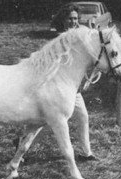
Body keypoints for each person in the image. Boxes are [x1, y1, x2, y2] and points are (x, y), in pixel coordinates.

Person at [14, 2, 97, 161]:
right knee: (45, 123)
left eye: (75, 18)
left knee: (83, 116)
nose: (73, 22)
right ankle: (21, 142)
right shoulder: (57, 37)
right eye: (70, 19)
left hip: (72, 90)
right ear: (63, 20)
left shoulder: (79, 36)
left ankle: (87, 153)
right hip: (54, 89)